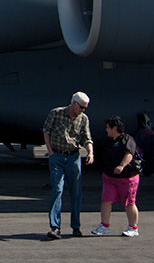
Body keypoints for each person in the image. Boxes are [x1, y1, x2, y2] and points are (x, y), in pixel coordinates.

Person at [43, 91, 94, 239]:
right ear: (73, 104)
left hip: (73, 157)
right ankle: (55, 227)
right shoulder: (56, 113)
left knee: (76, 192)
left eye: (85, 108)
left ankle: (76, 227)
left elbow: (87, 137)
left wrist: (90, 152)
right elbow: (46, 131)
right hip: (57, 156)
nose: (83, 110)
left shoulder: (83, 119)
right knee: (57, 189)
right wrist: (50, 150)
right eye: (82, 107)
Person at [91, 116, 141, 237]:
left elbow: (129, 154)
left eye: (108, 127)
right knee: (106, 201)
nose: (106, 130)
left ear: (115, 128)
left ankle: (133, 228)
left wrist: (121, 166)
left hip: (126, 179)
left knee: (129, 203)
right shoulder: (109, 141)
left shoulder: (127, 139)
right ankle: (104, 226)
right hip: (110, 178)